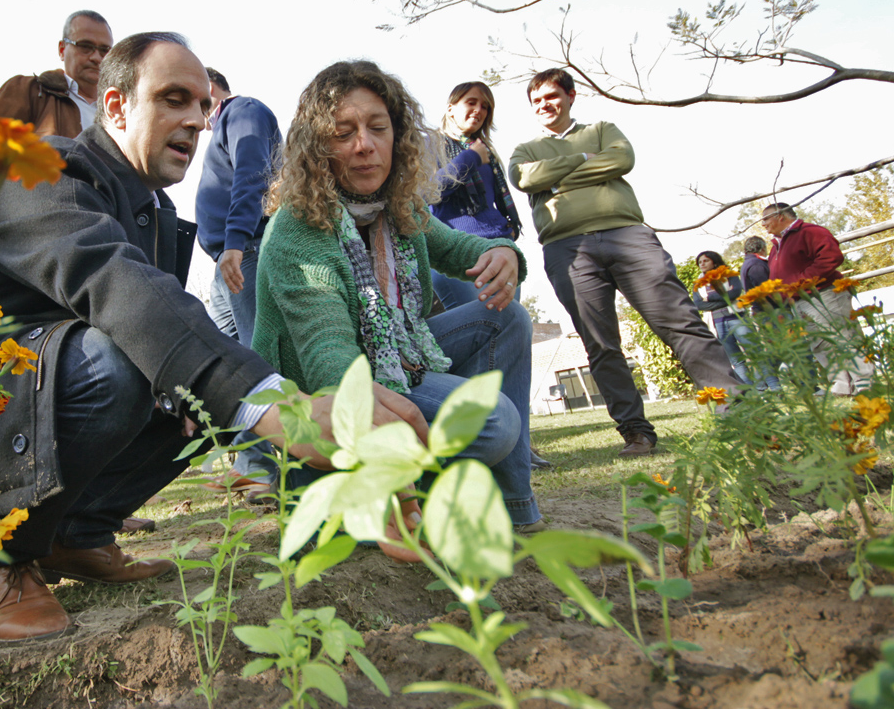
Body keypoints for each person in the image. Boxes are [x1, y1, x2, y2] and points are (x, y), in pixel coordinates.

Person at [0, 34, 428, 642]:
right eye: (173, 99)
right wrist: (283, 407)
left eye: (202, 105)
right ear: (117, 106)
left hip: (35, 397)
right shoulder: (35, 168)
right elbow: (114, 285)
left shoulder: (156, 218)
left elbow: (164, 325)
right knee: (138, 360)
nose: (197, 121)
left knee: (193, 399)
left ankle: (77, 534)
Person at [252, 59, 543, 552]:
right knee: (494, 422)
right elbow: (328, 355)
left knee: (506, 316)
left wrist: (501, 252)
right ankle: (391, 500)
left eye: (378, 128)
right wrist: (373, 419)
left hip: (392, 357)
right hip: (316, 395)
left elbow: (458, 248)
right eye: (342, 133)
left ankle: (513, 506)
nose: (364, 145)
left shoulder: (398, 207)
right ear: (317, 149)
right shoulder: (296, 229)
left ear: (398, 137)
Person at [508, 68, 742, 458]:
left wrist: (560, 177)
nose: (544, 105)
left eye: (551, 96)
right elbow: (525, 178)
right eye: (537, 101)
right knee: (600, 343)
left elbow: (622, 159)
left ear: (570, 96)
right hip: (568, 248)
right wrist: (586, 162)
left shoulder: (602, 129)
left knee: (680, 321)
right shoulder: (526, 149)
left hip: (627, 234)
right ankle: (636, 432)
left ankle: (738, 410)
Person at [194, 68, 283, 498]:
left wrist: (235, 239)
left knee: (253, 356)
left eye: (192, 97)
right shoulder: (220, 127)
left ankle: (261, 470)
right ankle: (248, 459)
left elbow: (253, 174)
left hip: (244, 251)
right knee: (226, 362)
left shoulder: (242, 111)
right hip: (226, 258)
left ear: (209, 88)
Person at [0, 10, 114, 209]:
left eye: (105, 50)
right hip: (41, 226)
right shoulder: (28, 92)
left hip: (111, 229)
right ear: (62, 49)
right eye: (85, 46)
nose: (96, 57)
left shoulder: (120, 115)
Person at [761, 202, 874, 396]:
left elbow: (831, 257)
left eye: (765, 219)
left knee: (843, 336)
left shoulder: (809, 232)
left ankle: (863, 382)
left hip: (824, 294)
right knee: (820, 342)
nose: (763, 224)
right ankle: (841, 384)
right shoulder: (776, 246)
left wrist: (801, 282)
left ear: (780, 216)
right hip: (797, 300)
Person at [429, 81, 524, 309]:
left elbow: (497, 199)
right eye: (471, 102)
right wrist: (470, 159)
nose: (479, 110)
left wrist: (508, 228)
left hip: (500, 247)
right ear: (450, 108)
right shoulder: (429, 144)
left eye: (485, 107)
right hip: (456, 251)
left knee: (508, 322)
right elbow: (428, 192)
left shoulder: (486, 151)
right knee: (478, 323)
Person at [690, 250, 750, 385]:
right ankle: (751, 390)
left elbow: (735, 293)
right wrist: (725, 297)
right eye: (700, 262)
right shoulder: (698, 283)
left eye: (705, 261)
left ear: (714, 261)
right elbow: (698, 304)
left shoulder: (729, 275)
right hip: (717, 323)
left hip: (737, 318)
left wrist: (709, 298)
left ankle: (773, 386)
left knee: (753, 351)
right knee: (736, 360)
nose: (702, 264)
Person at [738, 235, 782, 391]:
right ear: (762, 248)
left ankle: (761, 382)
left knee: (776, 347)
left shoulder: (748, 263)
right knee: (779, 348)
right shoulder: (756, 265)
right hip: (769, 310)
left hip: (763, 310)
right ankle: (764, 381)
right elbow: (766, 290)